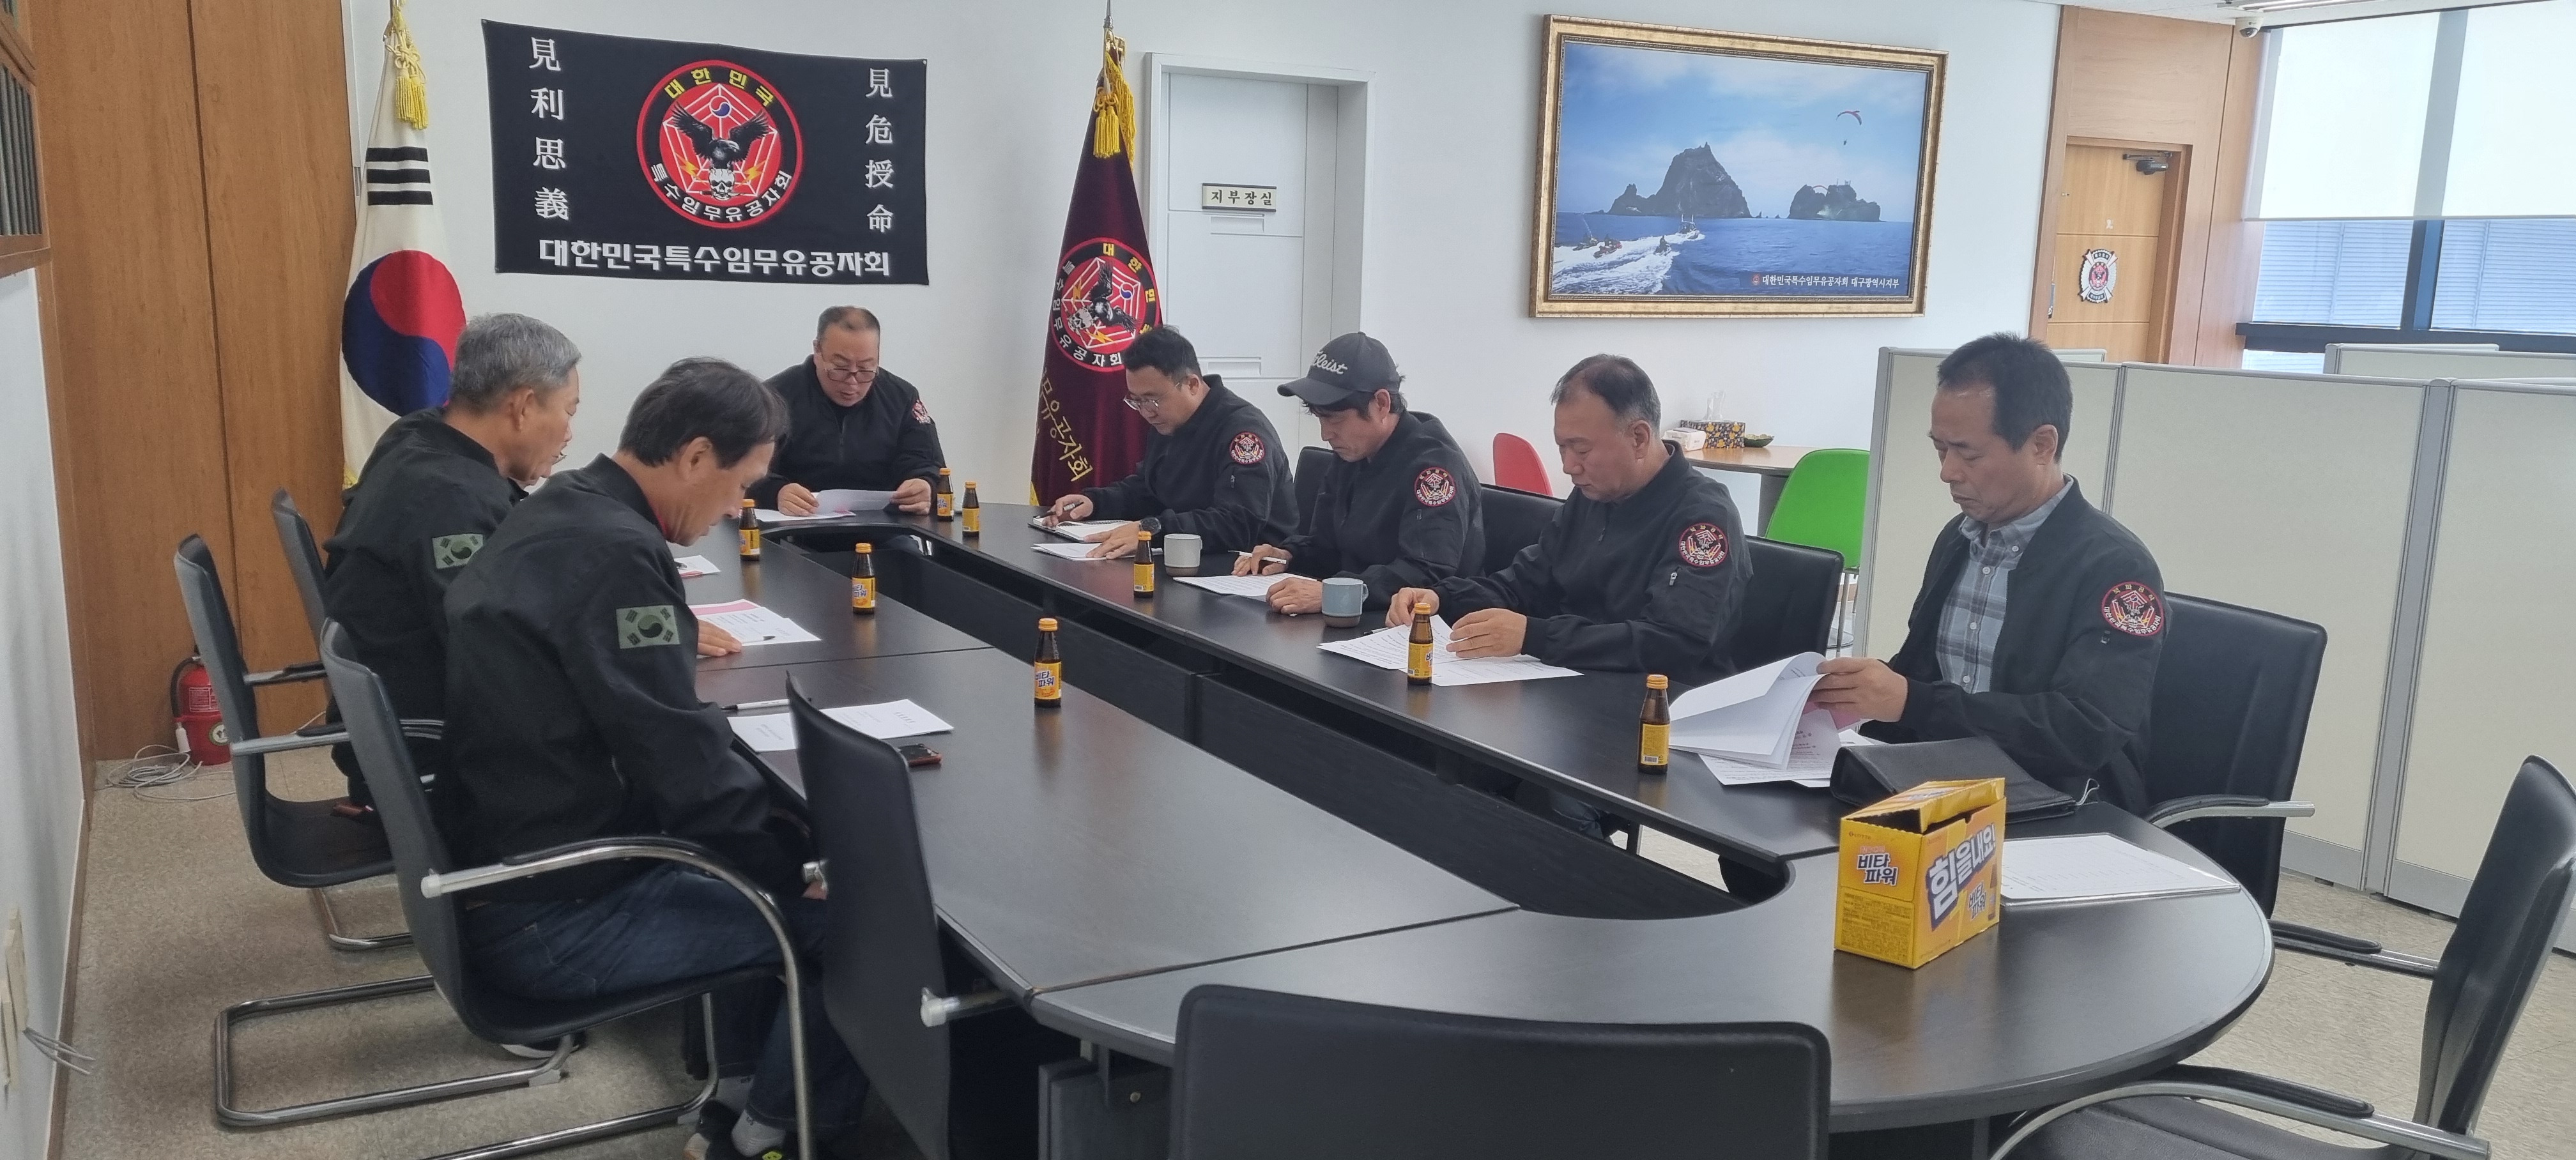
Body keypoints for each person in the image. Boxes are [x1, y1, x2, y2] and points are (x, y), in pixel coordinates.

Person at [442, 358, 863, 1159]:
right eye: (744, 484)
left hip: (508, 870)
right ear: (697, 456)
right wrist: (798, 864)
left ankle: (736, 1092)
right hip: (549, 917)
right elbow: (682, 761)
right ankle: (770, 1136)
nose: (739, 507)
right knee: (852, 926)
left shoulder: (569, 505)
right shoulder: (618, 552)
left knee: (742, 851)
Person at [323, 315, 748, 804]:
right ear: (524, 407)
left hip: (407, 725)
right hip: (438, 758)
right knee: (670, 759)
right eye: (569, 411)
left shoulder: (420, 437)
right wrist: (628, 638)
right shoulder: (451, 498)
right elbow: (487, 643)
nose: (569, 434)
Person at [1811, 332, 2165, 811]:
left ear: (2041, 445)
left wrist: (1912, 701)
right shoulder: (1961, 538)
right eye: (1940, 450)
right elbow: (1924, 674)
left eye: (1969, 454)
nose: (1948, 472)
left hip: (2064, 796)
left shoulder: (2115, 568)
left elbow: (2085, 730)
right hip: (1951, 775)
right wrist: (1854, 696)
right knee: (1784, 822)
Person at [1388, 355, 1751, 686]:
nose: (1568, 466)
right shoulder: (1593, 496)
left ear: (1639, 438)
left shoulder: (1703, 519)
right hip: (1571, 683)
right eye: (1562, 447)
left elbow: (1673, 643)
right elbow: (1525, 584)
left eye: (1582, 449)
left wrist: (1534, 637)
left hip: (1660, 703)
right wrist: (1442, 597)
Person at [1232, 332, 1484, 614]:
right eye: (1320, 418)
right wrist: (1288, 554)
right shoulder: (1355, 451)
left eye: (1336, 419)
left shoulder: (1434, 469)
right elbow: (1327, 546)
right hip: (1360, 614)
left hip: (1421, 625)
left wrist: (1335, 594)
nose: (1326, 434)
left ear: (1381, 404)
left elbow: (1426, 572)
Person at [1043, 324, 1297, 558]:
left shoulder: (1244, 435)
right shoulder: (1170, 420)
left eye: (1153, 400)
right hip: (1187, 559)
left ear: (1192, 385)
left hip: (1249, 569)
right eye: (1137, 401)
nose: (1146, 412)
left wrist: (1152, 529)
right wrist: (1096, 503)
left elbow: (1236, 525)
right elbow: (1150, 489)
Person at [751, 305, 946, 516]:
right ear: (818, 351)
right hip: (798, 522)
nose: (852, 382)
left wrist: (924, 483)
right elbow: (741, 468)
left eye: (865, 368)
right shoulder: (774, 399)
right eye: (840, 367)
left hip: (883, 523)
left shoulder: (902, 397)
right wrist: (776, 492)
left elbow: (928, 462)